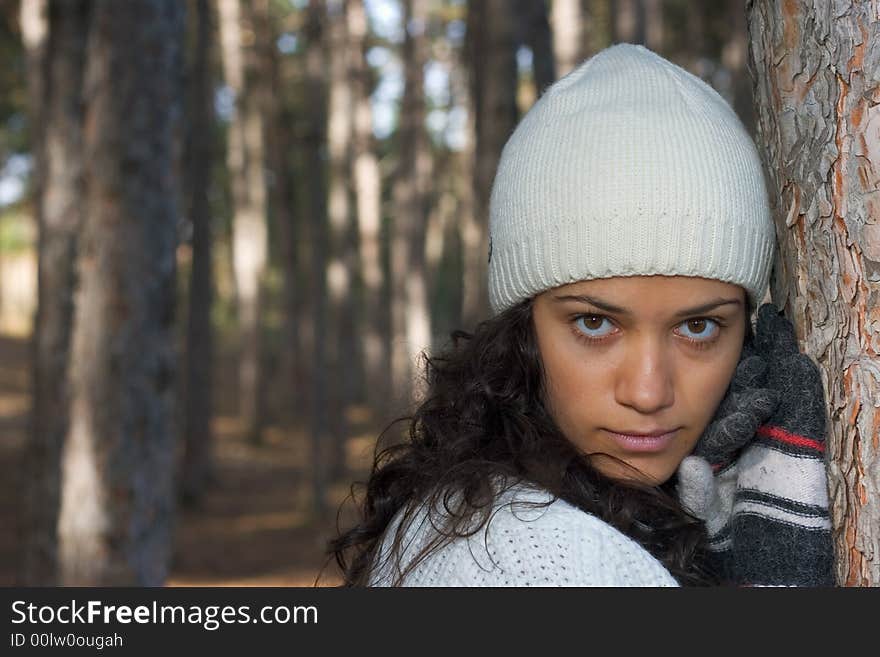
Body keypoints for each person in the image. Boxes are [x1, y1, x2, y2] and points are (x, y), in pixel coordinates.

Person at [328, 43, 834, 586]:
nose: (647, 392)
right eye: (596, 323)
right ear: (523, 329)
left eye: (698, 327)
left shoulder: (464, 513)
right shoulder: (547, 561)